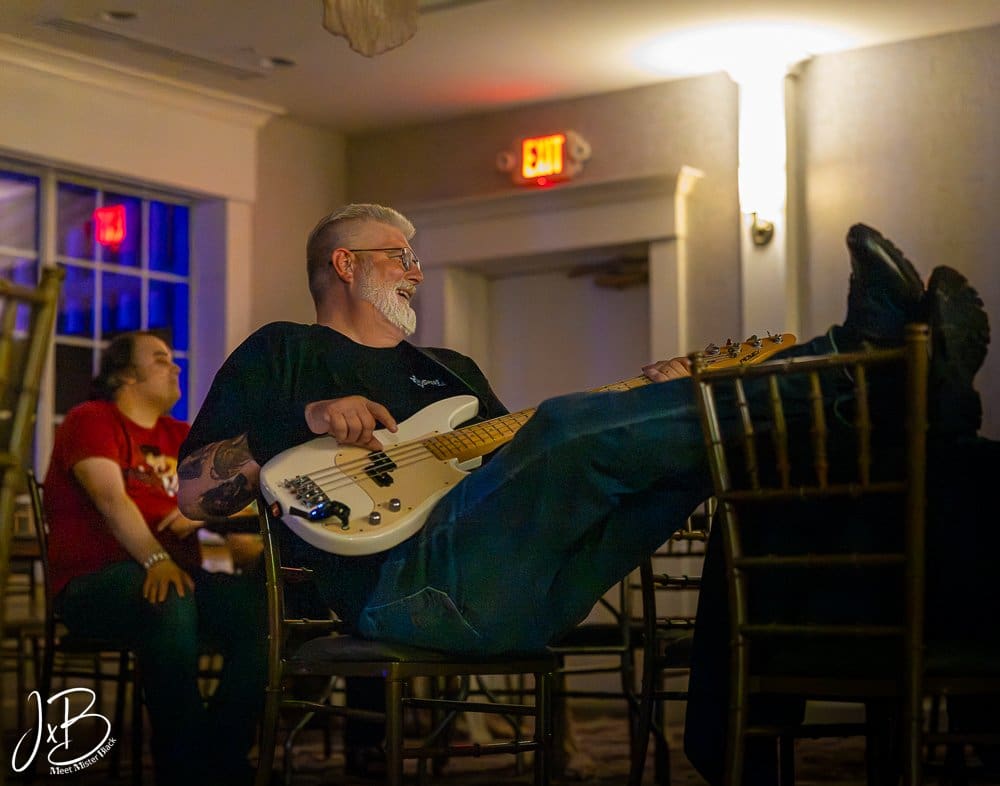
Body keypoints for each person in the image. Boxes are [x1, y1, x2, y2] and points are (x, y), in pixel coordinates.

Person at [176, 205, 988, 773]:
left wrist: (648, 402)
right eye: (400, 255)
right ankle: (858, 365)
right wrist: (301, 416)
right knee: (569, 427)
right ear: (345, 264)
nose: (417, 271)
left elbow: (522, 473)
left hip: (516, 586)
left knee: (697, 459)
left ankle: (893, 402)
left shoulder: (450, 374)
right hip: (402, 590)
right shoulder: (283, 352)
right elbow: (190, 493)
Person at [44, 331, 267, 786]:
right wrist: (155, 560)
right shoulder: (92, 419)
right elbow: (111, 500)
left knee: (262, 615)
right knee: (169, 598)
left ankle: (221, 755)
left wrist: (206, 508)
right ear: (125, 374)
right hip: (95, 583)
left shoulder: (180, 436)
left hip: (180, 578)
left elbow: (245, 497)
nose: (175, 366)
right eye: (161, 359)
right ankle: (185, 768)